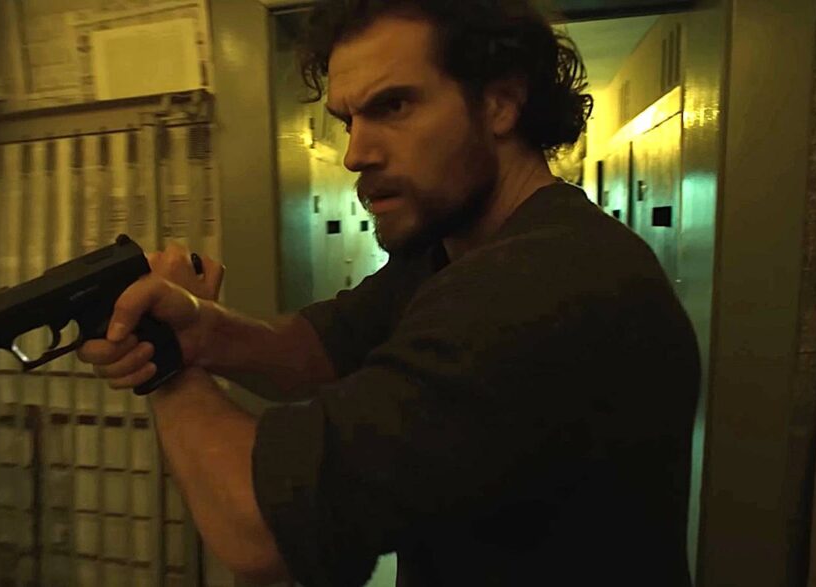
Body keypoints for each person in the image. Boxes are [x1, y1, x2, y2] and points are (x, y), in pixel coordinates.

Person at [78, 0, 701, 585]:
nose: (355, 154)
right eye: (348, 120)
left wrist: (162, 359)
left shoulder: (545, 283)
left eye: (394, 105)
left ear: (500, 103)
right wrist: (200, 327)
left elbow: (258, 528)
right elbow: (313, 350)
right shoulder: (448, 250)